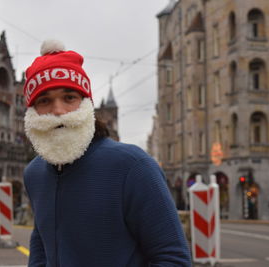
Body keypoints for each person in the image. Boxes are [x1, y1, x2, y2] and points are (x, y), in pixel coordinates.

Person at [23, 40, 191, 267]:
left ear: (86, 105)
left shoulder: (133, 166)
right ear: (32, 112)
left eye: (69, 98)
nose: (58, 110)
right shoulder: (34, 174)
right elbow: (41, 247)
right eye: (44, 100)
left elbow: (173, 259)